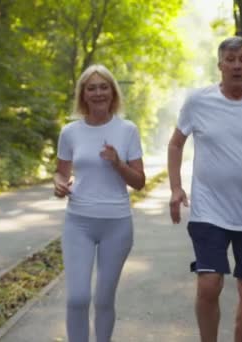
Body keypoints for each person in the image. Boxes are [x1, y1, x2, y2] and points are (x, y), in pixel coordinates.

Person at [167, 36, 242, 342]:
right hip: (209, 208)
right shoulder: (199, 100)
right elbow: (175, 144)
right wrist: (176, 187)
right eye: (231, 60)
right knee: (209, 284)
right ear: (220, 65)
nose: (237, 66)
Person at [54, 64, 145, 342]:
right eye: (91, 88)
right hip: (78, 222)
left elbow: (139, 182)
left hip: (116, 224)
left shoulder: (127, 130)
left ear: (112, 92)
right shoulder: (70, 132)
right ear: (83, 94)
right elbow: (61, 171)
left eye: (103, 87)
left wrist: (118, 162)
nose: (97, 93)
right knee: (78, 298)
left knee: (104, 300)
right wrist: (58, 183)